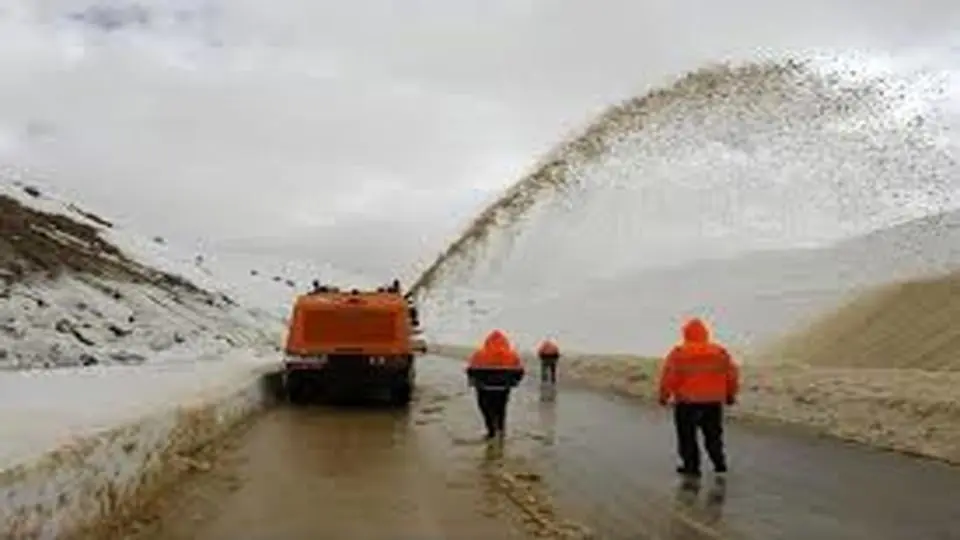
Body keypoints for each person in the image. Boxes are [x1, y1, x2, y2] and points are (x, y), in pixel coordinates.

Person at [658, 318, 739, 478]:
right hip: (713, 402)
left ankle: (692, 467)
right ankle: (719, 463)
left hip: (687, 403)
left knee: (687, 436)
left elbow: (669, 377)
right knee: (713, 434)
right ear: (705, 334)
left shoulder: (679, 353)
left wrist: (664, 396)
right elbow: (731, 376)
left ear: (686, 334)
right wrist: (730, 395)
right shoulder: (719, 352)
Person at [466, 330, 525, 440]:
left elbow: (470, 371)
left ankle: (491, 430)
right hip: (503, 388)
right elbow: (520, 372)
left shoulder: (479, 354)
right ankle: (501, 429)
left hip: (484, 388)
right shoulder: (512, 355)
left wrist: (473, 382)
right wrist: (514, 382)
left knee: (486, 407)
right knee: (501, 408)